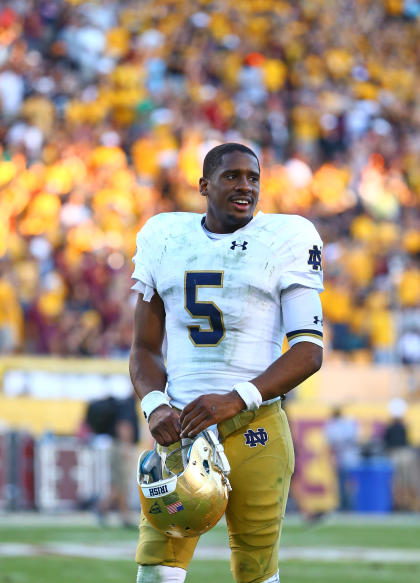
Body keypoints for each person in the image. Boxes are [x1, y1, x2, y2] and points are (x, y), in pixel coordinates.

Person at [129, 143, 324, 583]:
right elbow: (143, 347)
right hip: (182, 429)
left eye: (253, 177)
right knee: (157, 570)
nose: (245, 186)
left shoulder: (287, 239)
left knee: (256, 571)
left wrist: (235, 399)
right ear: (204, 186)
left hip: (255, 427)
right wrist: (155, 404)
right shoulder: (164, 237)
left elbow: (309, 351)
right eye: (232, 176)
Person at [324, 407, 360, 511]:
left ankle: (347, 504)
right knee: (346, 482)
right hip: (348, 456)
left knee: (344, 482)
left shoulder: (334, 426)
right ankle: (347, 504)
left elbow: (332, 443)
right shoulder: (348, 423)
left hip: (344, 456)